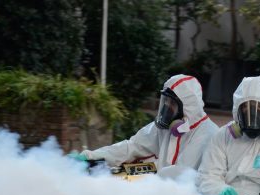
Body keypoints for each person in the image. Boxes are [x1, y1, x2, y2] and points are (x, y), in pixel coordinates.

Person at [79, 74, 218, 179]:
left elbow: (179, 175)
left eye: (172, 104)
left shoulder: (209, 135)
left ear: (188, 108)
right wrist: (92, 157)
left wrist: (138, 178)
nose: (166, 107)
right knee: (107, 175)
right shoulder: (166, 126)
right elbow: (132, 146)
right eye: (166, 101)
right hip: (157, 187)